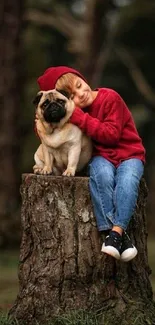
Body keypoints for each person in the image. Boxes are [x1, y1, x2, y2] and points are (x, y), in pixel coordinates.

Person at [37, 66, 145, 262]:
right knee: (100, 177)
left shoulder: (109, 98)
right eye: (74, 95)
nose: (81, 94)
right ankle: (122, 239)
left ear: (84, 79)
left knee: (127, 182)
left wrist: (80, 117)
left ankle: (116, 232)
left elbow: (111, 136)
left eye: (80, 85)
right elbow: (49, 130)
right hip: (102, 157)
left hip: (129, 155)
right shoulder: (72, 113)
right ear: (69, 101)